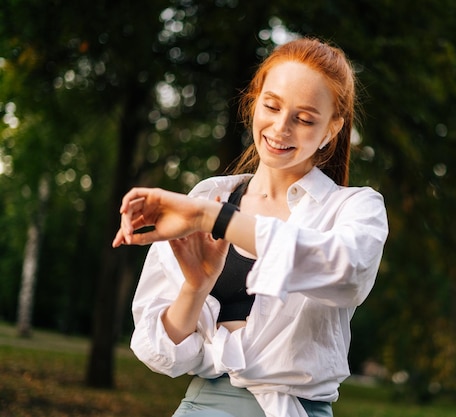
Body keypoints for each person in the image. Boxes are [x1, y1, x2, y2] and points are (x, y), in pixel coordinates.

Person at [112, 37, 388, 417]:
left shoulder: (354, 208)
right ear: (254, 101)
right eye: (271, 106)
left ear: (331, 129)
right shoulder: (207, 195)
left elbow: (346, 272)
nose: (281, 127)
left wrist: (213, 220)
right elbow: (160, 350)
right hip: (200, 405)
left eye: (304, 119)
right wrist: (195, 286)